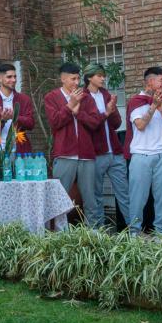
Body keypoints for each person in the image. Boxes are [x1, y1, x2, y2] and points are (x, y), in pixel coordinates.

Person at [44, 63, 105, 226]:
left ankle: (92, 235)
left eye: (78, 78)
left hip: (86, 155)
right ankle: (58, 234)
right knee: (60, 197)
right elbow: (55, 122)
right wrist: (70, 106)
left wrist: (79, 113)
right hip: (64, 154)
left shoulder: (86, 96)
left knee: (90, 198)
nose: (77, 82)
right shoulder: (51, 97)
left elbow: (95, 123)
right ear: (63, 79)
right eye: (73, 79)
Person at [124, 67, 162, 236]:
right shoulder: (136, 101)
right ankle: (135, 233)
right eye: (161, 80)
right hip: (141, 156)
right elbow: (140, 125)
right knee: (138, 198)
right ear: (150, 82)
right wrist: (153, 106)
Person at [83, 63, 127, 227]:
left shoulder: (106, 94)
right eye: (99, 75)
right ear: (89, 77)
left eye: (103, 75)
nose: (103, 78)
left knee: (124, 193)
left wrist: (113, 110)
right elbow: (90, 125)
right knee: (96, 195)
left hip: (115, 152)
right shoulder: (83, 97)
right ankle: (98, 232)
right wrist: (106, 112)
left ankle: (134, 231)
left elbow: (116, 124)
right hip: (96, 154)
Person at [0, 63, 36, 153]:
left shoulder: (24, 99)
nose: (13, 80)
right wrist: (2, 120)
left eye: (15, 77)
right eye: (9, 77)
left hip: (20, 150)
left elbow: (31, 124)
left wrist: (15, 117)